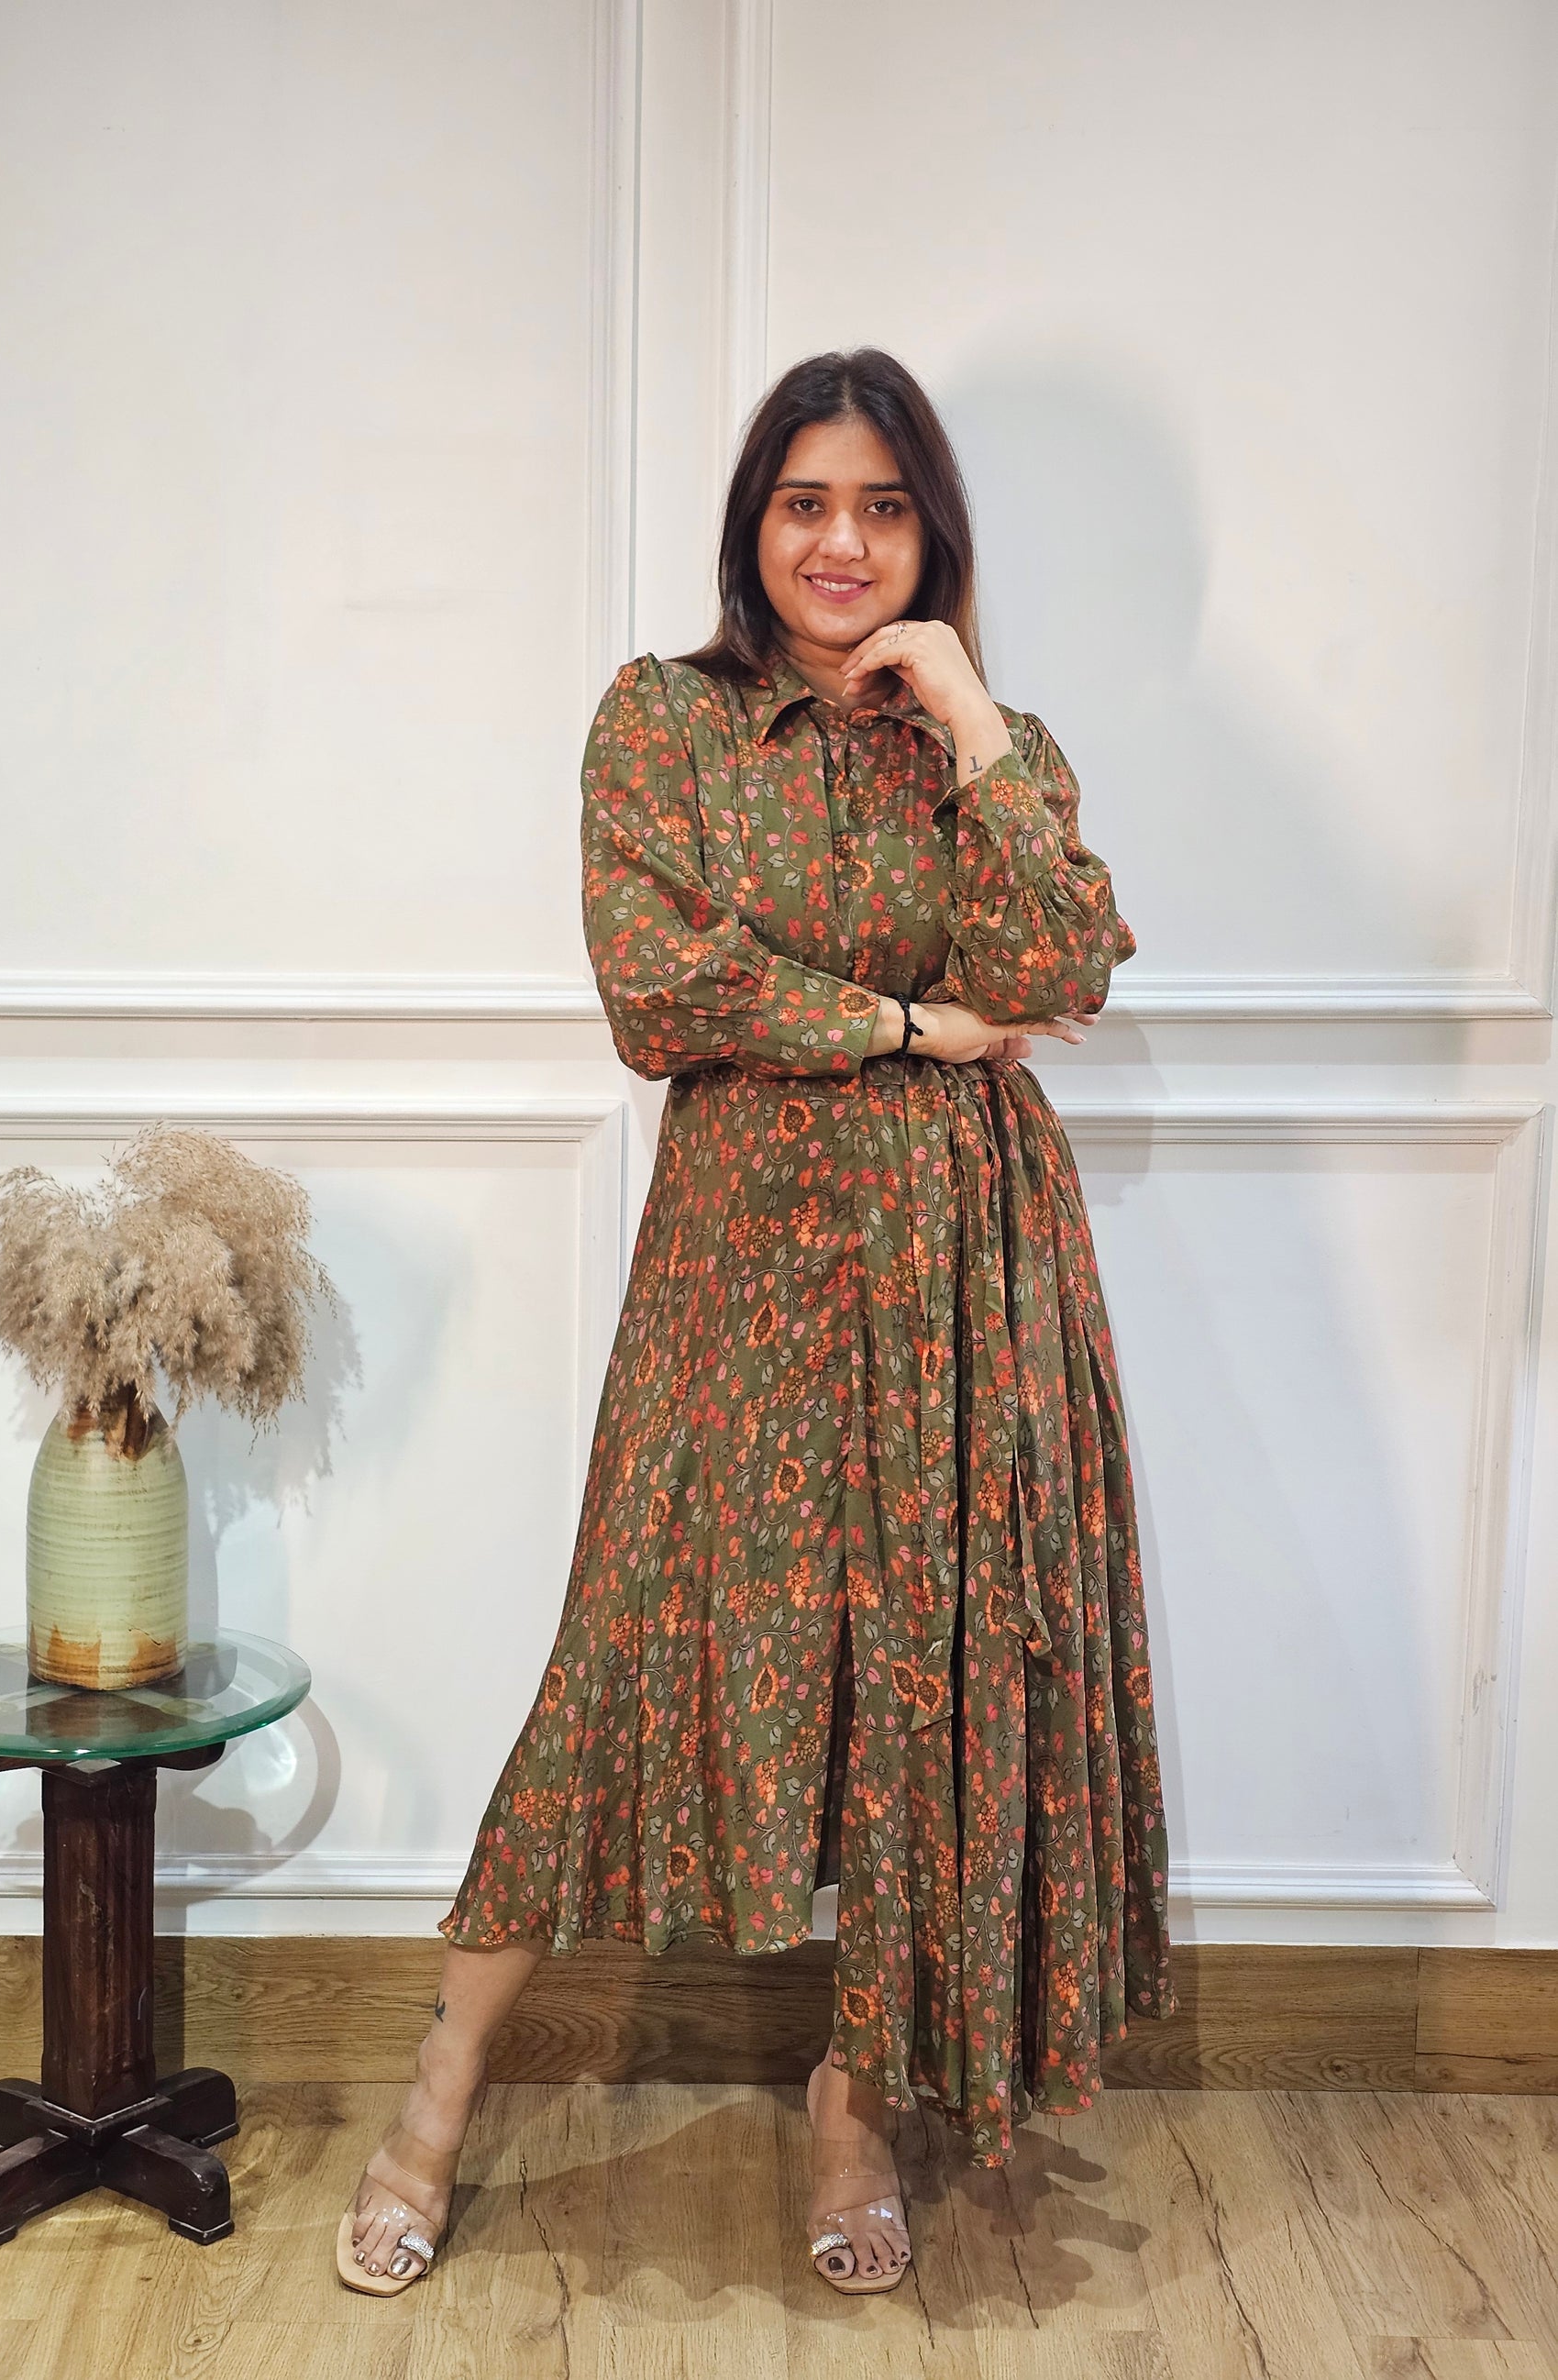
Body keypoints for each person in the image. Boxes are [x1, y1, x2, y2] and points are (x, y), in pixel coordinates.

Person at [337, 346, 1173, 2300]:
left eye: (882, 507)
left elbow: (1065, 964)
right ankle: (437, 2092)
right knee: (624, 1655)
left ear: (931, 535)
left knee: (915, 1685)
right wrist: (909, 1021)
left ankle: (852, 2109)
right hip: (741, 1270)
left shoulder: (990, 743)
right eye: (807, 502)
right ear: (753, 523)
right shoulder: (664, 721)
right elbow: (659, 986)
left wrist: (966, 714)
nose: (841, 542)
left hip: (967, 1277)